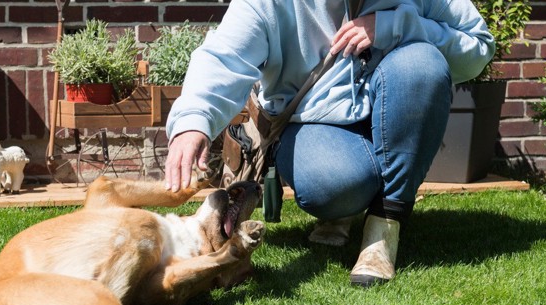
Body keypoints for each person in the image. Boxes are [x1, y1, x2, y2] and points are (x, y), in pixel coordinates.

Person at [164, 0, 495, 287]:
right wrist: (193, 121)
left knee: (423, 64)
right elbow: (225, 57)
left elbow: (478, 48)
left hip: (394, 113)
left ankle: (384, 224)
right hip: (312, 124)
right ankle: (347, 204)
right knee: (331, 185)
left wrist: (395, 26)